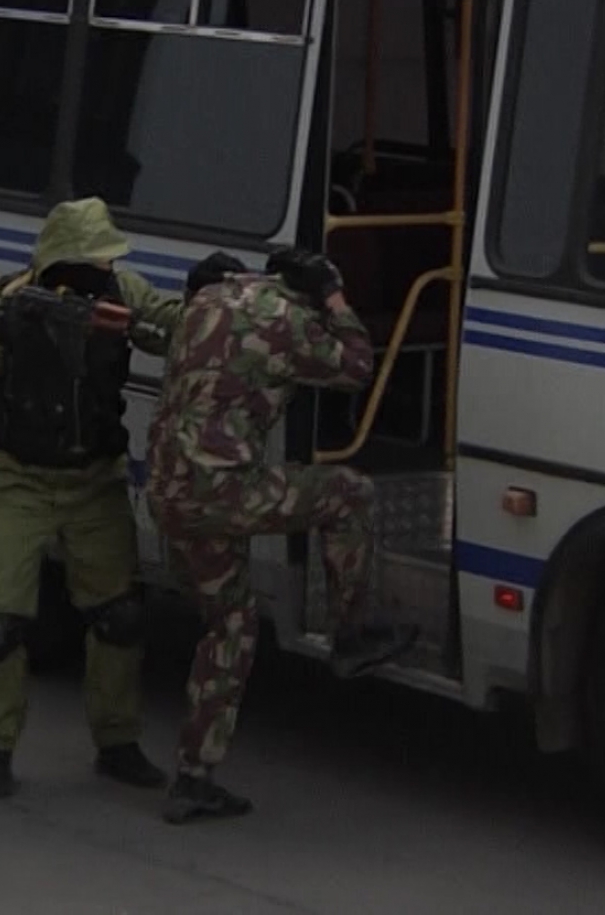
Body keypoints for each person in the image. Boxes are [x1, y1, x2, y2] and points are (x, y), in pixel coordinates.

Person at [0, 197, 183, 800]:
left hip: (93, 477)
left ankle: (117, 742)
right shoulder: (8, 295)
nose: (98, 274)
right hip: (17, 478)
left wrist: (214, 298)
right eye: (88, 263)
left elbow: (172, 325)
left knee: (120, 616)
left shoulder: (123, 288)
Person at [145, 246, 420, 825]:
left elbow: (163, 332)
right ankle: (351, 632)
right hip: (223, 493)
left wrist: (197, 289)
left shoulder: (208, 302)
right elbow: (357, 365)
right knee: (350, 494)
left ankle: (193, 780)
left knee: (231, 623)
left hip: (170, 494)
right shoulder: (288, 321)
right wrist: (336, 296)